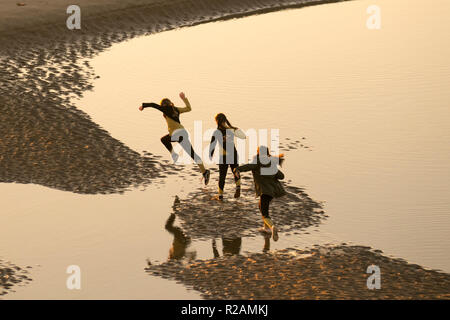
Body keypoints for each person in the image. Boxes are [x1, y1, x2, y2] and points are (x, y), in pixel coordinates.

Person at [139, 92, 210, 185]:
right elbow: (189, 108)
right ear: (170, 103)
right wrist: (184, 98)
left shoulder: (165, 109)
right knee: (192, 154)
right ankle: (205, 172)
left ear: (163, 105)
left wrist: (143, 106)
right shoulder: (175, 109)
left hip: (177, 134)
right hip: (183, 133)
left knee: (164, 140)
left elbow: (153, 105)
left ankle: (174, 155)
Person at [233, 146, 285, 241]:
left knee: (264, 212)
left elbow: (248, 167)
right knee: (262, 207)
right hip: (272, 192)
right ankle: (266, 228)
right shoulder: (271, 163)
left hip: (264, 191)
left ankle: (272, 227)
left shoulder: (257, 161)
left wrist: (237, 169)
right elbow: (281, 176)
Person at [208, 113, 246, 200]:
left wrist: (210, 155)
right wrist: (236, 129)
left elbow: (212, 145)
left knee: (222, 176)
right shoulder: (231, 130)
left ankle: (220, 196)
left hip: (224, 156)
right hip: (233, 154)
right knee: (236, 171)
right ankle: (238, 188)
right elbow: (243, 137)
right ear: (225, 120)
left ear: (217, 121)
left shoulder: (216, 132)